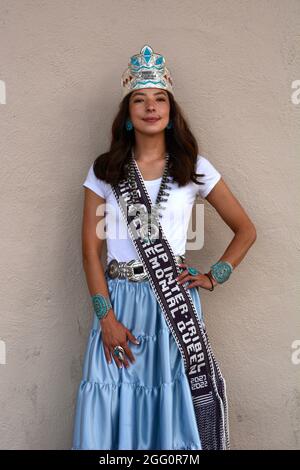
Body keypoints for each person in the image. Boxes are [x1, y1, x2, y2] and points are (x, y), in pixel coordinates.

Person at [71, 45, 257, 450]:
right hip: (117, 303)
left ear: (171, 112)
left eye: (159, 99)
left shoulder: (194, 168)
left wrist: (213, 277)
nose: (150, 107)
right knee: (111, 403)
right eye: (139, 99)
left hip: (172, 305)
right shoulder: (105, 171)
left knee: (170, 409)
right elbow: (90, 253)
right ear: (127, 114)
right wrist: (106, 317)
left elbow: (245, 230)